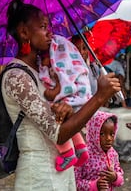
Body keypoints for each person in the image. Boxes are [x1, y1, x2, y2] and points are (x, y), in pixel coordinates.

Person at [2, 0, 121, 190]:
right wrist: (100, 97)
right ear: (24, 33)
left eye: (48, 25)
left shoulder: (43, 70)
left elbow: (64, 121)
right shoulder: (17, 77)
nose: (50, 32)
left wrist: (68, 111)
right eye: (42, 27)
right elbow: (58, 134)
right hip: (39, 177)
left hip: (63, 171)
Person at [39, 34, 91, 171]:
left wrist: (47, 93)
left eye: (43, 58)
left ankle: (67, 153)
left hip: (70, 102)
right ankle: (81, 148)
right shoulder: (63, 66)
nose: (41, 62)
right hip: (79, 101)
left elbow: (52, 94)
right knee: (70, 125)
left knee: (55, 120)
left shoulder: (55, 72)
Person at [75, 110, 124, 191]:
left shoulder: (113, 153)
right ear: (93, 133)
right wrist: (94, 185)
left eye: (111, 134)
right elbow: (75, 182)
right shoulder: (84, 154)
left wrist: (115, 177)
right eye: (102, 134)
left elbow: (120, 176)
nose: (108, 139)